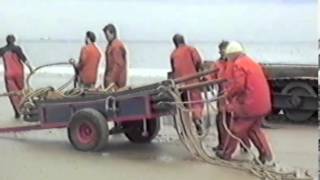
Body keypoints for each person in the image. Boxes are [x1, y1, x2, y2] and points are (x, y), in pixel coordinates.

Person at [215, 41, 273, 164]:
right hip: (262, 103)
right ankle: (266, 155)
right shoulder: (251, 62)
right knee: (253, 129)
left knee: (235, 129)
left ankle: (226, 154)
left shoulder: (238, 64)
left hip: (250, 105)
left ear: (231, 55)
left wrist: (227, 95)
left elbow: (238, 85)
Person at [210, 41, 251, 152]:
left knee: (236, 122)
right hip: (222, 95)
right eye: (220, 50)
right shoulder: (217, 64)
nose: (222, 52)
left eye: (224, 50)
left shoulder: (235, 63)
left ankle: (245, 145)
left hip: (234, 96)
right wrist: (207, 82)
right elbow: (212, 77)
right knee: (220, 121)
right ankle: (222, 145)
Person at [170, 34, 204, 135]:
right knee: (196, 103)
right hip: (192, 81)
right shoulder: (191, 49)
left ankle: (185, 128)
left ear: (175, 43)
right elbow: (198, 61)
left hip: (180, 83)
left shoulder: (173, 54)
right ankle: (197, 120)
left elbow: (173, 69)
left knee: (183, 106)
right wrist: (197, 72)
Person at [0, 35, 32, 118]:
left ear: (6, 41)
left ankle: (17, 112)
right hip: (19, 74)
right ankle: (24, 110)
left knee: (12, 94)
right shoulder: (17, 48)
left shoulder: (2, 50)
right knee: (21, 92)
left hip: (8, 75)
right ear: (14, 40)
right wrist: (31, 69)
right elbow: (24, 59)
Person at [102, 24, 128, 89]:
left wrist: (111, 81)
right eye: (105, 35)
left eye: (107, 35)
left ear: (113, 33)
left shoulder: (116, 46)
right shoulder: (111, 45)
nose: (106, 38)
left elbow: (118, 65)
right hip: (111, 82)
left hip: (116, 83)